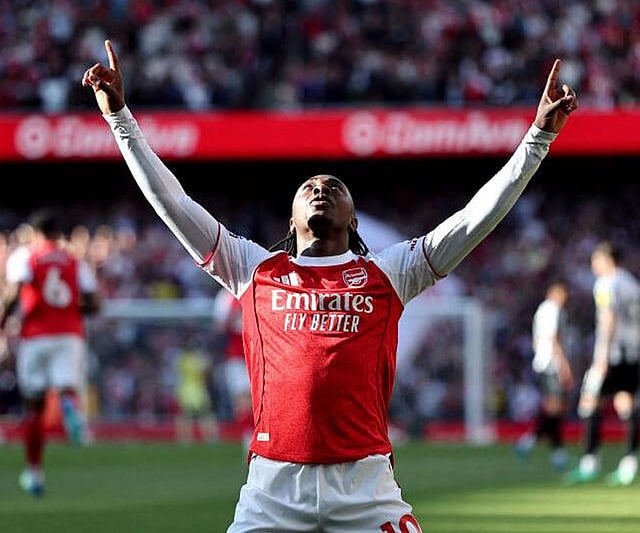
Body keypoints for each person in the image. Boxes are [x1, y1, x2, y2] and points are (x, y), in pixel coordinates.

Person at [83, 39, 577, 532]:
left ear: (353, 219)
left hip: (366, 490)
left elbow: (471, 220)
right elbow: (174, 203)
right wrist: (120, 119)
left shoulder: (390, 272)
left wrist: (537, 140)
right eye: (309, 188)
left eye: (333, 187)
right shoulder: (253, 268)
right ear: (292, 219)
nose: (320, 189)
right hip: (272, 492)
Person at [0, 209, 101, 497]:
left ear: (35, 233)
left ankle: (34, 472)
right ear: (59, 233)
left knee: (34, 405)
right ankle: (70, 405)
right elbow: (94, 304)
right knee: (67, 386)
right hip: (69, 335)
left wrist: (3, 320)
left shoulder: (27, 257)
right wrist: (69, 309)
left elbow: (15, 292)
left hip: (35, 335)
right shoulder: (74, 262)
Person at [564, 241, 640, 486]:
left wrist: (602, 357)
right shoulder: (632, 283)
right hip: (632, 353)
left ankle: (590, 463)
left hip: (612, 354)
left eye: (595, 259)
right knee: (626, 404)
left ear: (607, 259)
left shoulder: (606, 283)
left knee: (589, 403)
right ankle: (629, 463)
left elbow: (608, 318)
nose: (593, 264)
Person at [514, 280, 573, 470]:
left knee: (553, 410)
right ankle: (531, 442)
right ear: (555, 293)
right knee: (554, 410)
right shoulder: (553, 310)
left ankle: (553, 451)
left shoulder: (541, 310)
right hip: (551, 365)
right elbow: (554, 339)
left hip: (542, 362)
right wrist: (564, 366)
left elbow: (536, 340)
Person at [212, 288, 253, 448]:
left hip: (259, 354)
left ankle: (259, 438)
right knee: (243, 399)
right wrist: (235, 318)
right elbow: (219, 326)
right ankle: (248, 439)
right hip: (237, 356)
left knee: (258, 400)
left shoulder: (256, 287)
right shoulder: (226, 296)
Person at [173, 331, 218, 444]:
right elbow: (206, 370)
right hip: (196, 388)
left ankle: (185, 439)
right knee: (203, 414)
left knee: (187, 415)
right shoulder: (197, 359)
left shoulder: (183, 359)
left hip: (186, 388)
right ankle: (210, 438)